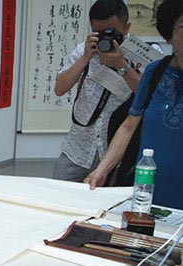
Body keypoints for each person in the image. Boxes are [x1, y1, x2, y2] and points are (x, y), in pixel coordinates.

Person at [86, 0, 183, 210]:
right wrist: (102, 169)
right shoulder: (156, 72)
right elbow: (129, 126)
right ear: (169, 34)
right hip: (148, 196)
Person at [52, 0, 141, 182]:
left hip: (116, 153)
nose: (106, 38)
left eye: (112, 32)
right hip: (77, 149)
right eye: (99, 33)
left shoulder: (141, 54)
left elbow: (146, 95)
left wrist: (122, 65)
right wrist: (86, 57)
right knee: (57, 194)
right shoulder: (83, 50)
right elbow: (60, 88)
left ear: (126, 28)